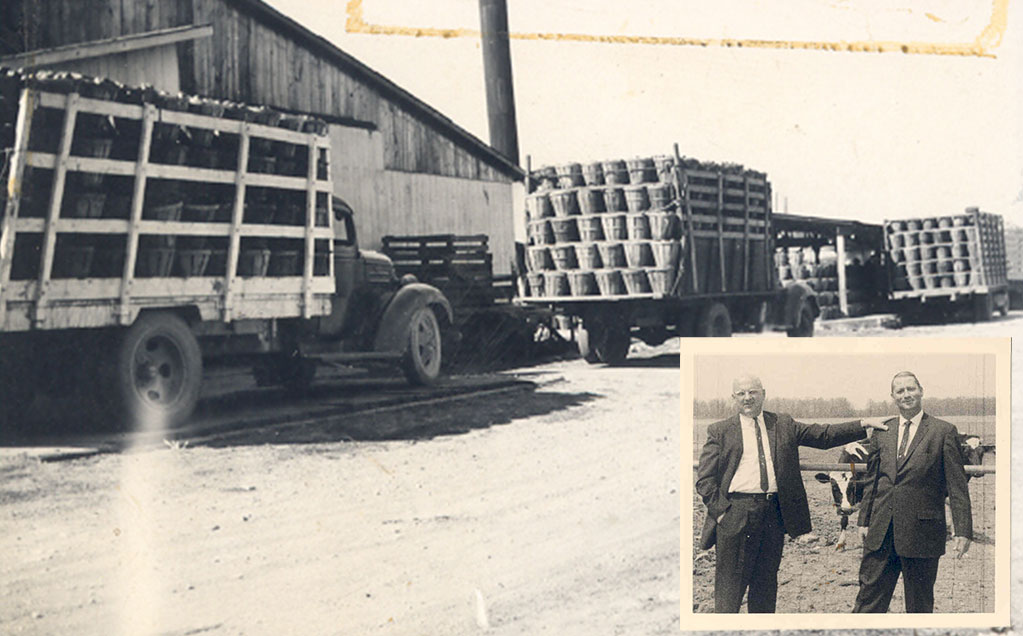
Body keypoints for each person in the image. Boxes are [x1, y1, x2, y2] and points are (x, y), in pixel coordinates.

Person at [696, 374, 888, 613]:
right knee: (729, 592)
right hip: (736, 513)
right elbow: (705, 480)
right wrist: (724, 514)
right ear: (733, 397)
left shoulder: (782, 424)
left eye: (753, 392)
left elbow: (824, 435)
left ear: (763, 394)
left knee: (765, 588)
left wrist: (863, 424)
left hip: (773, 515)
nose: (748, 398)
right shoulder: (720, 431)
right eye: (742, 393)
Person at [852, 371, 972, 613]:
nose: (906, 394)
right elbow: (872, 481)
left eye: (910, 389)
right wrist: (863, 520)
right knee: (867, 604)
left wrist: (963, 530)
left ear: (921, 391)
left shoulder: (943, 431)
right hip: (881, 533)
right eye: (900, 391)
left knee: (919, 607)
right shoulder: (883, 431)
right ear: (893, 397)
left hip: (922, 535)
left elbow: (957, 485)